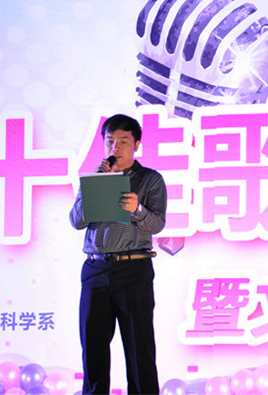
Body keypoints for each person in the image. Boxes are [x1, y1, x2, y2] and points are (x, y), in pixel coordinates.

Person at [70, 114, 167, 394]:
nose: (115, 148)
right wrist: (96, 186)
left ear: (136, 145)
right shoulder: (93, 179)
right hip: (95, 270)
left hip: (133, 269)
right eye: (110, 141)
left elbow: (157, 224)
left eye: (123, 141)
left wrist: (137, 209)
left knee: (139, 351)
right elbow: (76, 221)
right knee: (93, 349)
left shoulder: (150, 180)